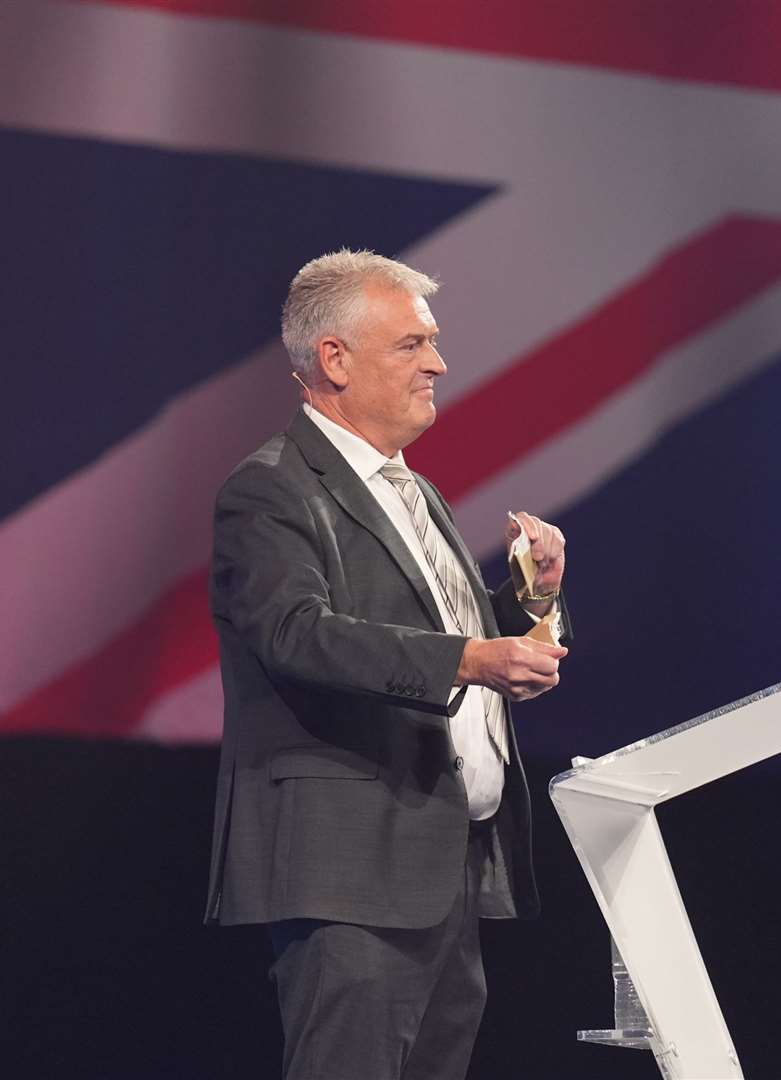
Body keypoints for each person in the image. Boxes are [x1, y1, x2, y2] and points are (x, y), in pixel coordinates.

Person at [204, 249, 572, 1080]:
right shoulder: (270, 491)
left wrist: (530, 603)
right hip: (351, 878)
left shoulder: (414, 492)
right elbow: (298, 633)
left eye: (432, 343)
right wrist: (474, 657)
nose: (438, 363)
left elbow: (445, 630)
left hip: (443, 871)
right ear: (333, 359)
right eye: (412, 345)